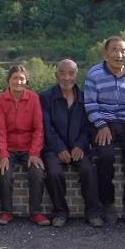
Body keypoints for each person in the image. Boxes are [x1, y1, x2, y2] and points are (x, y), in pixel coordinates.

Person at [84, 36, 125, 225]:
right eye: (115, 50)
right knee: (105, 156)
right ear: (106, 53)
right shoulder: (94, 74)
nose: (119, 55)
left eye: (123, 50)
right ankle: (107, 203)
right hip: (102, 122)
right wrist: (101, 125)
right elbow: (90, 104)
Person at [41, 59, 102, 228]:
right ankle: (60, 212)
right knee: (54, 173)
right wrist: (60, 148)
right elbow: (46, 127)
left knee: (89, 171)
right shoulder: (46, 97)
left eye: (71, 73)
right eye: (62, 73)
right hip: (54, 149)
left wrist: (80, 145)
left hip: (79, 147)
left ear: (77, 75)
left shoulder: (85, 97)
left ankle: (93, 213)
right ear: (56, 75)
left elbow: (88, 126)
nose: (66, 77)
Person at [0, 65, 48, 226]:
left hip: (28, 148)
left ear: (26, 81)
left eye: (21, 78)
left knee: (37, 173)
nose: (18, 82)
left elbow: (39, 128)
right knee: (4, 173)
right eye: (15, 78)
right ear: (8, 80)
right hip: (9, 147)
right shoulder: (1, 100)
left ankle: (36, 212)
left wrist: (34, 153)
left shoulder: (33, 98)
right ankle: (6, 212)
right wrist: (3, 155)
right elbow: (0, 130)